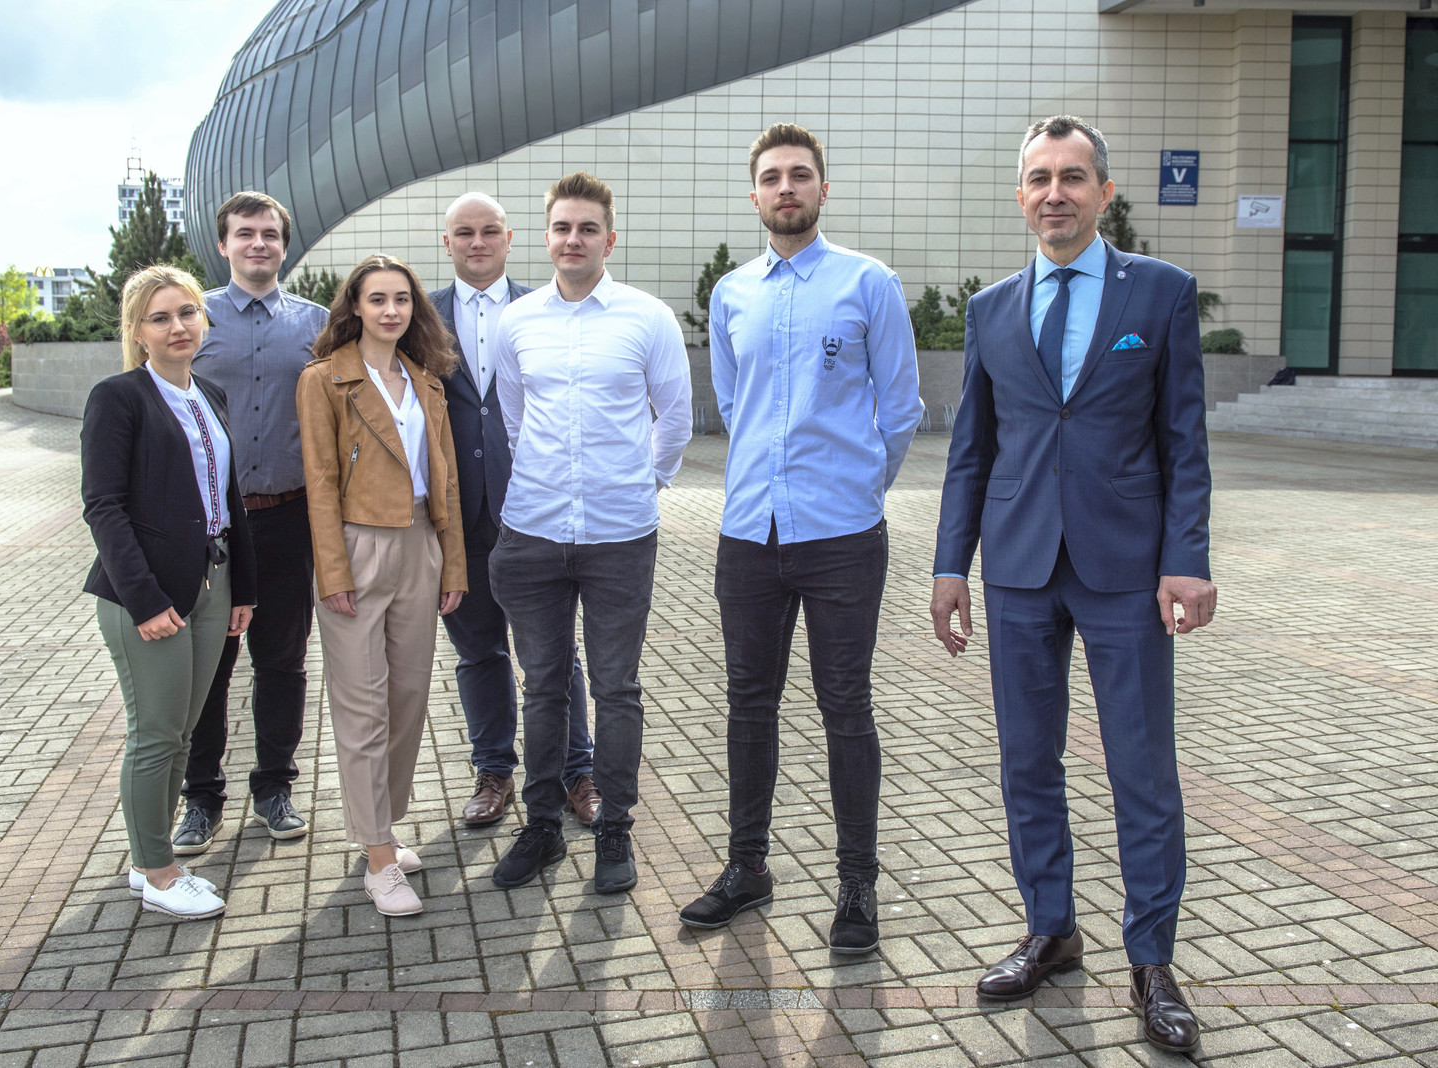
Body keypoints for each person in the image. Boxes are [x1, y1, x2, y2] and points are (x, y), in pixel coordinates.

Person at [930, 115, 1215, 1053]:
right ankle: (1050, 930)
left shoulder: (1160, 293)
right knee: (1026, 761)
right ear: (1021, 194)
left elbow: (1184, 442)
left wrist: (1187, 556)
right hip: (1017, 568)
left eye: (1073, 177)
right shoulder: (991, 309)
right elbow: (972, 451)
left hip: (1126, 569)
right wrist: (949, 564)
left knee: (1141, 767)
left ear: (1103, 193)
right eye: (1040, 178)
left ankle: (1152, 961)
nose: (1055, 193)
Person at [678, 123, 924, 954]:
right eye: (772, 177)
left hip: (842, 533)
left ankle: (857, 884)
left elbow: (901, 409)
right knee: (749, 704)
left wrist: (857, 487)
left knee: (845, 706)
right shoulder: (732, 293)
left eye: (800, 175)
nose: (786, 187)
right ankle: (747, 867)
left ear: (823, 189)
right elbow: (733, 402)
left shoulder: (869, 283)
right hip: (749, 530)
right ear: (754, 194)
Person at [487, 172, 692, 895]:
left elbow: (675, 418)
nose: (573, 239)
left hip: (619, 537)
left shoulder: (648, 318)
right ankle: (542, 826)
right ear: (546, 237)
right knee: (542, 686)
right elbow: (514, 419)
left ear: (610, 238)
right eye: (562, 228)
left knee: (616, 687)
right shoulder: (517, 323)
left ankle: (614, 829)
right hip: (534, 532)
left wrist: (641, 483)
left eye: (587, 228)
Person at [81, 264, 257, 921]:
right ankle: (156, 871)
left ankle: (151, 860)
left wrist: (243, 587)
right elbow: (102, 506)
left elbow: (229, 499)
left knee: (184, 732)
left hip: (213, 583)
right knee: (155, 734)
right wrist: (146, 599)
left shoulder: (209, 394)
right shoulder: (118, 398)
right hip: (148, 594)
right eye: (160, 317)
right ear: (137, 331)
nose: (177, 326)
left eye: (186, 313)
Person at [296, 253, 467, 917]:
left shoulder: (426, 381)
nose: (391, 310)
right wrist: (332, 571)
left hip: (421, 543)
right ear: (355, 308)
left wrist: (452, 564)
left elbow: (446, 479)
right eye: (377, 299)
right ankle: (376, 857)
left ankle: (383, 829)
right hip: (358, 546)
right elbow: (319, 482)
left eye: (402, 299)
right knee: (363, 705)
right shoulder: (324, 380)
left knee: (408, 697)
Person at [428, 192, 600, 830]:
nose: (477, 243)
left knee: (555, 654)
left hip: (536, 511)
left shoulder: (547, 309)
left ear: (509, 237)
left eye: (489, 231)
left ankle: (576, 771)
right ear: (448, 242)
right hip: (457, 517)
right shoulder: (418, 316)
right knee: (478, 652)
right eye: (464, 233)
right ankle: (494, 770)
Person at [178, 192, 328, 854]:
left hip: (288, 519)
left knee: (283, 662)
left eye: (269, 234)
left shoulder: (318, 325)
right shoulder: (193, 318)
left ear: (284, 245)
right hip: (208, 528)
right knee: (208, 667)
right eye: (245, 233)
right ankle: (201, 798)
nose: (258, 244)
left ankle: (274, 787)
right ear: (224, 244)